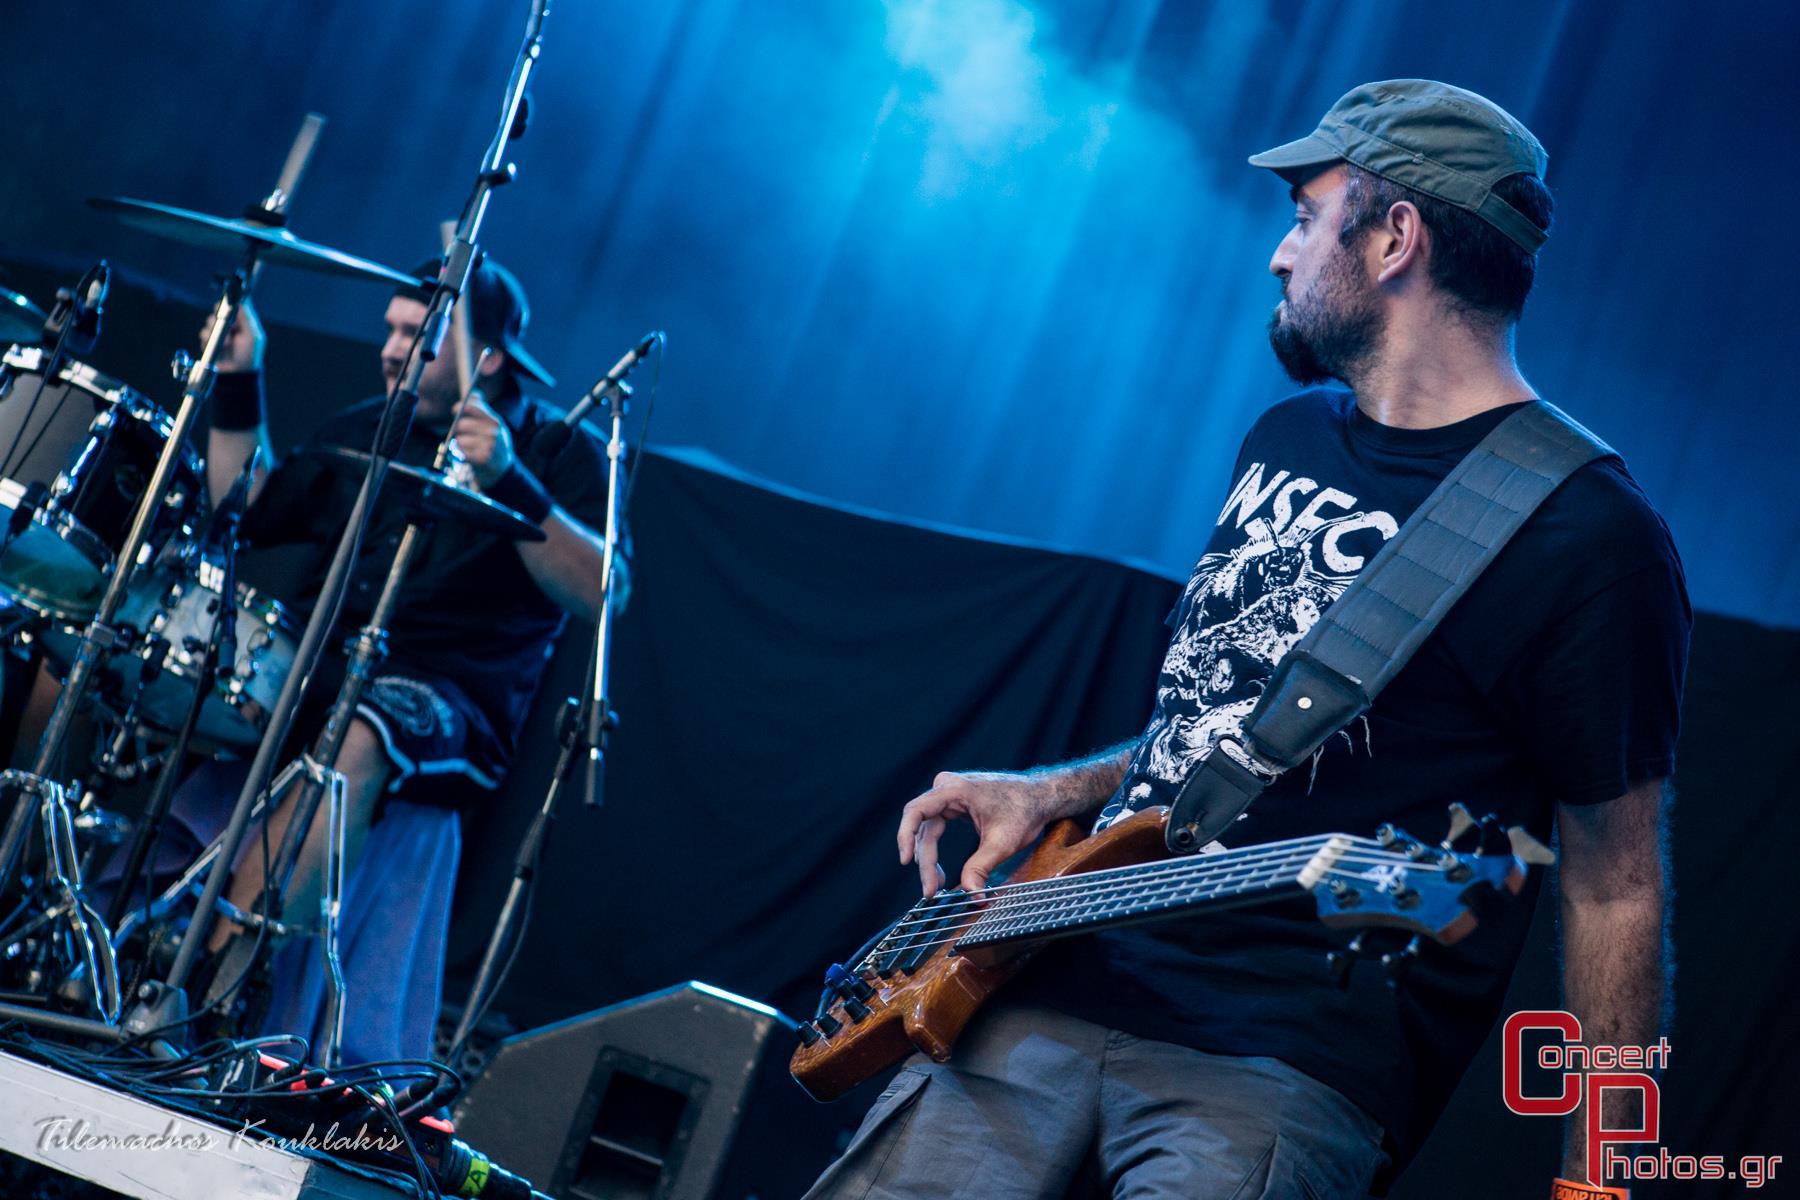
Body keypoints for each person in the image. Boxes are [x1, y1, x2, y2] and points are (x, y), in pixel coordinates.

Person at [801, 81, 1688, 1199]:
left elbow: (1615, 889)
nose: (1280, 254)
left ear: (1395, 239)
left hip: (1281, 1059)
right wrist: (1055, 792)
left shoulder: (1588, 536)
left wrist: (1603, 1179)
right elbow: (1224, 726)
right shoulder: (1288, 435)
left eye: (1307, 218)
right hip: (1052, 976)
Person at [176, 256, 620, 1062]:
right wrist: (240, 378)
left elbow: (603, 591)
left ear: (486, 357)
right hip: (323, 662)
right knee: (140, 655)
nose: (388, 348)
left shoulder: (558, 449)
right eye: (390, 329)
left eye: (416, 335)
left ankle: (213, 995)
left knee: (363, 731)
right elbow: (246, 507)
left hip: (451, 700)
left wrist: (510, 480)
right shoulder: (370, 424)